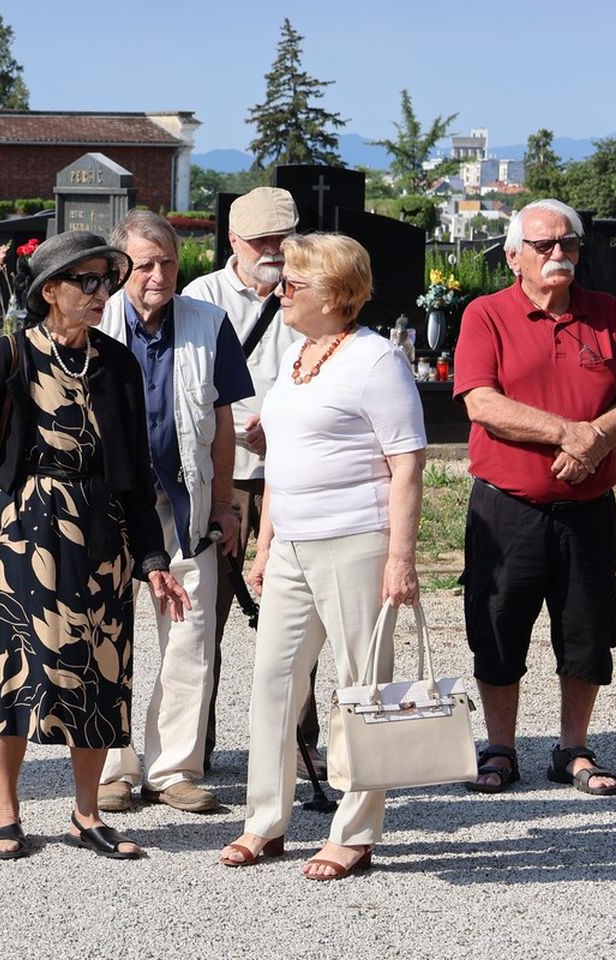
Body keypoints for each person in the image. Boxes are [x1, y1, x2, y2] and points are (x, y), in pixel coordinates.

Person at [0, 230, 189, 861]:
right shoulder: (5, 358)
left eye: (105, 281)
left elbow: (135, 470)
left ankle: (87, 814)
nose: (100, 293)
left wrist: (154, 557)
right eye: (86, 282)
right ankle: (5, 807)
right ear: (48, 291)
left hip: (103, 530)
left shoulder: (117, 362)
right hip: (23, 530)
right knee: (17, 670)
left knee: (102, 669)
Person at [220, 232, 426, 880]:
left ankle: (355, 833)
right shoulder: (300, 355)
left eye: (294, 284)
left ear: (335, 295)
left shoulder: (375, 360)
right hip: (292, 549)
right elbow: (280, 456)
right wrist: (264, 544)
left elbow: (407, 464)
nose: (280, 292)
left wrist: (400, 558)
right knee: (273, 686)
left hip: (357, 544)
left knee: (360, 689)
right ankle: (266, 821)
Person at [454, 198, 616, 796]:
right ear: (514, 256)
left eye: (568, 243)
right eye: (544, 245)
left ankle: (572, 749)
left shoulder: (605, 312)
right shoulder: (486, 315)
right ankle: (500, 748)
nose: (559, 253)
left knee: (587, 626)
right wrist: (571, 432)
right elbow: (480, 402)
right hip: (507, 505)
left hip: (587, 508)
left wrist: (594, 443)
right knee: (498, 621)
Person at [94, 210, 254, 814]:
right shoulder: (95, 319)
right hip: (107, 511)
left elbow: (220, 423)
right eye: (143, 264)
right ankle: (112, 765)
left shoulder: (208, 324)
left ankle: (174, 769)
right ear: (119, 267)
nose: (157, 275)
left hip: (183, 508)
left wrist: (223, 503)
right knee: (109, 634)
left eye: (167, 262)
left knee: (187, 639)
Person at [181, 187, 323, 778]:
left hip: (295, 474)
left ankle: (298, 742)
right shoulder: (202, 297)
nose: (273, 251)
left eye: (281, 238)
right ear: (233, 242)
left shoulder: (313, 291)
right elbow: (190, 383)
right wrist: (242, 432)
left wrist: (288, 425)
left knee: (298, 617)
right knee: (203, 618)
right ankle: (196, 748)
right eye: (261, 240)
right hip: (225, 473)